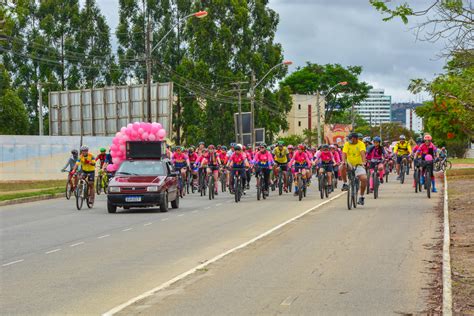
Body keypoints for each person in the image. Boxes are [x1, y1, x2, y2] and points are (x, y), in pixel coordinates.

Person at [340, 133, 367, 205]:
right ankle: (345, 183)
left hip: (359, 164)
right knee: (341, 167)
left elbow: (362, 153)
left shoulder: (361, 144)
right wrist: (343, 161)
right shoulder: (347, 144)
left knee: (364, 179)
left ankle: (361, 197)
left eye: (350, 138)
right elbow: (344, 153)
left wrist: (364, 162)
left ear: (355, 138)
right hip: (349, 164)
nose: (349, 140)